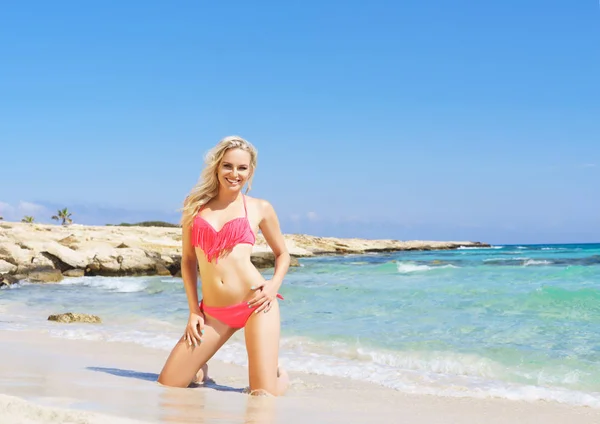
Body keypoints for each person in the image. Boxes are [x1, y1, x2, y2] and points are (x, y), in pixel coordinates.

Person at [157, 136, 291, 396]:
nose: (234, 173)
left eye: (242, 168)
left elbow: (282, 254)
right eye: (228, 166)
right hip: (214, 312)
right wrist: (194, 311)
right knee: (168, 385)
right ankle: (200, 369)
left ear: (251, 171)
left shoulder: (260, 208)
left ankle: (280, 375)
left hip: (256, 304)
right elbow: (188, 260)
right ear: (217, 167)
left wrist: (273, 286)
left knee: (262, 394)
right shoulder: (194, 206)